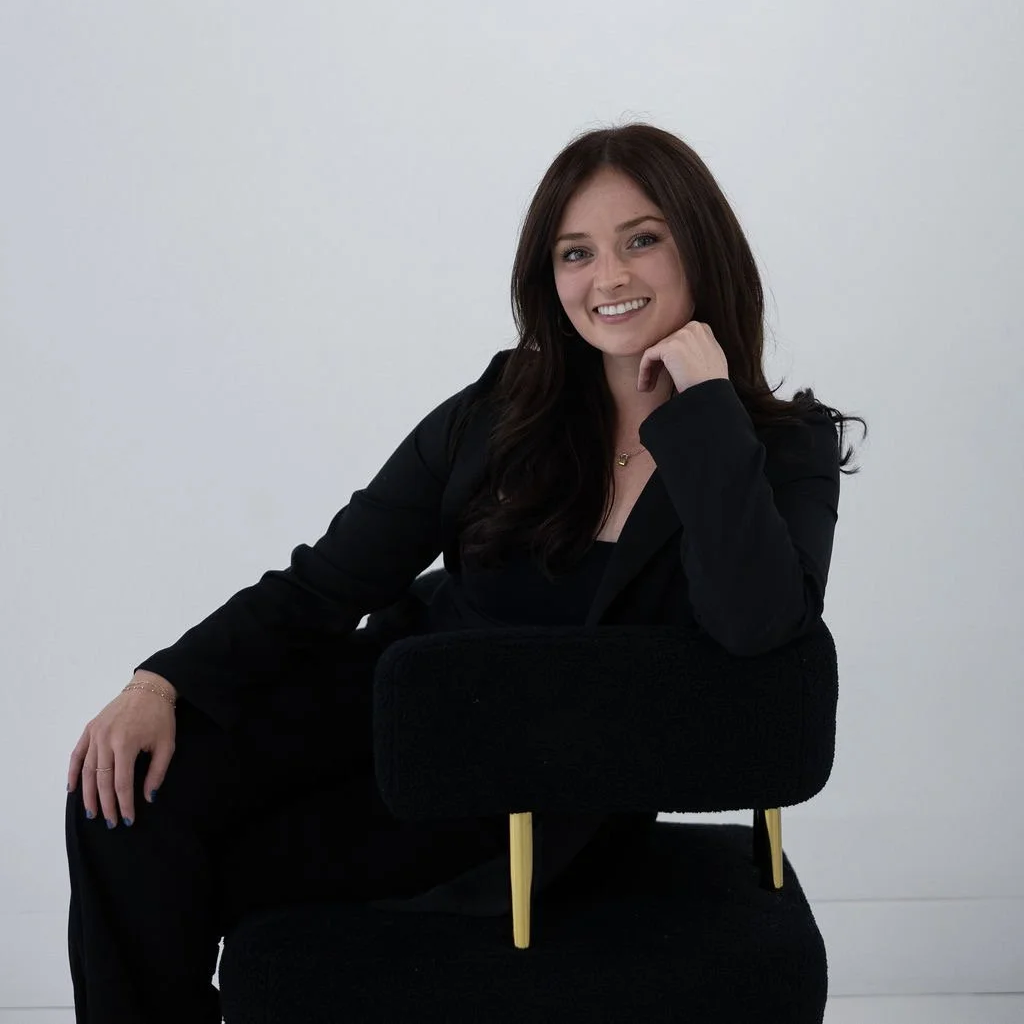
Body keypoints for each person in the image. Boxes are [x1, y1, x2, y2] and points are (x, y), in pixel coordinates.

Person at [64, 121, 865, 1022]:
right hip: (381, 718)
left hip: (522, 801)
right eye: (576, 252)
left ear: (701, 245)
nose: (608, 277)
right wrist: (161, 682)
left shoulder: (781, 447)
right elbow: (326, 583)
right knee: (121, 801)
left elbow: (757, 628)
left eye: (642, 239)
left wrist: (706, 409)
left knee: (218, 863)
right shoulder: (499, 408)